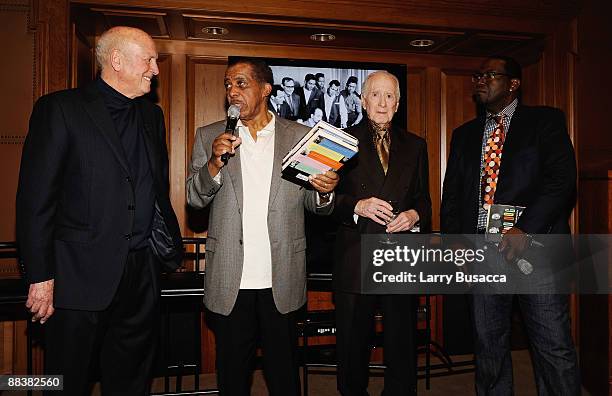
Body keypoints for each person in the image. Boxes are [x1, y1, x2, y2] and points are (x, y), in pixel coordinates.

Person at [16, 26, 184, 394]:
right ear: (117, 60)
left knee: (131, 379)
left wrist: (163, 251)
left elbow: (154, 189)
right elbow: (35, 200)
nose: (156, 69)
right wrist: (40, 277)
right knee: (66, 380)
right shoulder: (60, 109)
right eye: (150, 59)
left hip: (141, 273)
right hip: (77, 274)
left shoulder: (151, 117)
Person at [186, 57, 339, 395]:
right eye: (228, 84)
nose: (232, 91)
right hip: (230, 277)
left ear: (266, 88)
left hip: (281, 276)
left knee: (284, 375)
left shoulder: (300, 137)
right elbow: (194, 200)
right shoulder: (210, 135)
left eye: (241, 83)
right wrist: (213, 163)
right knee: (233, 376)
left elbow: (316, 207)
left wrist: (325, 192)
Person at [440, 56, 580, 395]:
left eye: (489, 75)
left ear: (513, 83)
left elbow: (561, 181)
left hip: (535, 251)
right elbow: (453, 195)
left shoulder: (545, 121)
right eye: (478, 75)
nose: (480, 80)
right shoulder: (464, 134)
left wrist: (524, 228)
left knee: (553, 346)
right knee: (489, 348)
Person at [333, 70, 432, 396]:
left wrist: (414, 214)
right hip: (355, 254)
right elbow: (322, 201)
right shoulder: (339, 141)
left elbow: (424, 200)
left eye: (390, 96)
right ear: (362, 100)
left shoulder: (417, 146)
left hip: (399, 256)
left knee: (402, 344)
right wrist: (356, 205)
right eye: (375, 94)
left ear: (398, 103)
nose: (382, 102)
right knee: (352, 344)